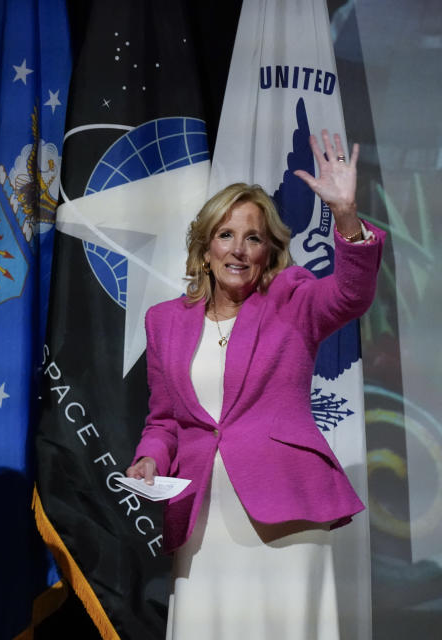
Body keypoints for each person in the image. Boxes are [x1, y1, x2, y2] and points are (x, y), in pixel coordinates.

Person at [125, 130, 384, 639]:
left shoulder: (291, 298)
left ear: (270, 250)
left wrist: (347, 216)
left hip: (284, 512)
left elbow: (351, 295)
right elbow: (164, 420)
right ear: (204, 247)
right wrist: (150, 458)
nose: (238, 250)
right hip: (204, 520)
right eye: (226, 235)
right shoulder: (164, 321)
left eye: (254, 237)